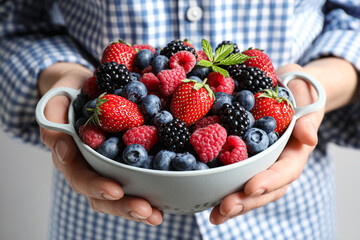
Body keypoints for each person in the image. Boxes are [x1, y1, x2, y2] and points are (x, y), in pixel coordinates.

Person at [1, 0, 359, 239]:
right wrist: (61, 78)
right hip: (102, 219)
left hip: (287, 221)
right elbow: (14, 23)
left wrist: (314, 89)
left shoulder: (220, 106)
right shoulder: (146, 97)